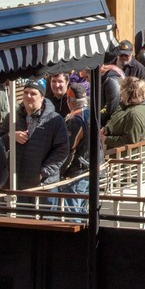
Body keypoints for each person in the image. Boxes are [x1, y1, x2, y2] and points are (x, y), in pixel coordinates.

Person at [11, 79, 69, 193]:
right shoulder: (12, 118)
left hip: (44, 186)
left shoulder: (55, 120)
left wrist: (43, 172)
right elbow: (1, 141)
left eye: (33, 93)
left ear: (42, 97)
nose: (28, 96)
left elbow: (63, 149)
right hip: (17, 184)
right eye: (26, 92)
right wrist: (10, 136)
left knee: (44, 211)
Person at [60, 83, 96, 212]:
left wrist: (60, 171)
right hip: (93, 168)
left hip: (78, 172)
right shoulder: (92, 113)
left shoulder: (75, 119)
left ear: (70, 101)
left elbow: (70, 149)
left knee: (73, 213)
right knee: (84, 212)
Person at [102, 77, 145, 150]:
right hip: (120, 156)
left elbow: (130, 141)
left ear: (130, 93)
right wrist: (107, 129)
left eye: (122, 90)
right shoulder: (127, 107)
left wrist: (105, 139)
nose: (120, 92)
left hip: (127, 158)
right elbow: (116, 121)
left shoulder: (134, 113)